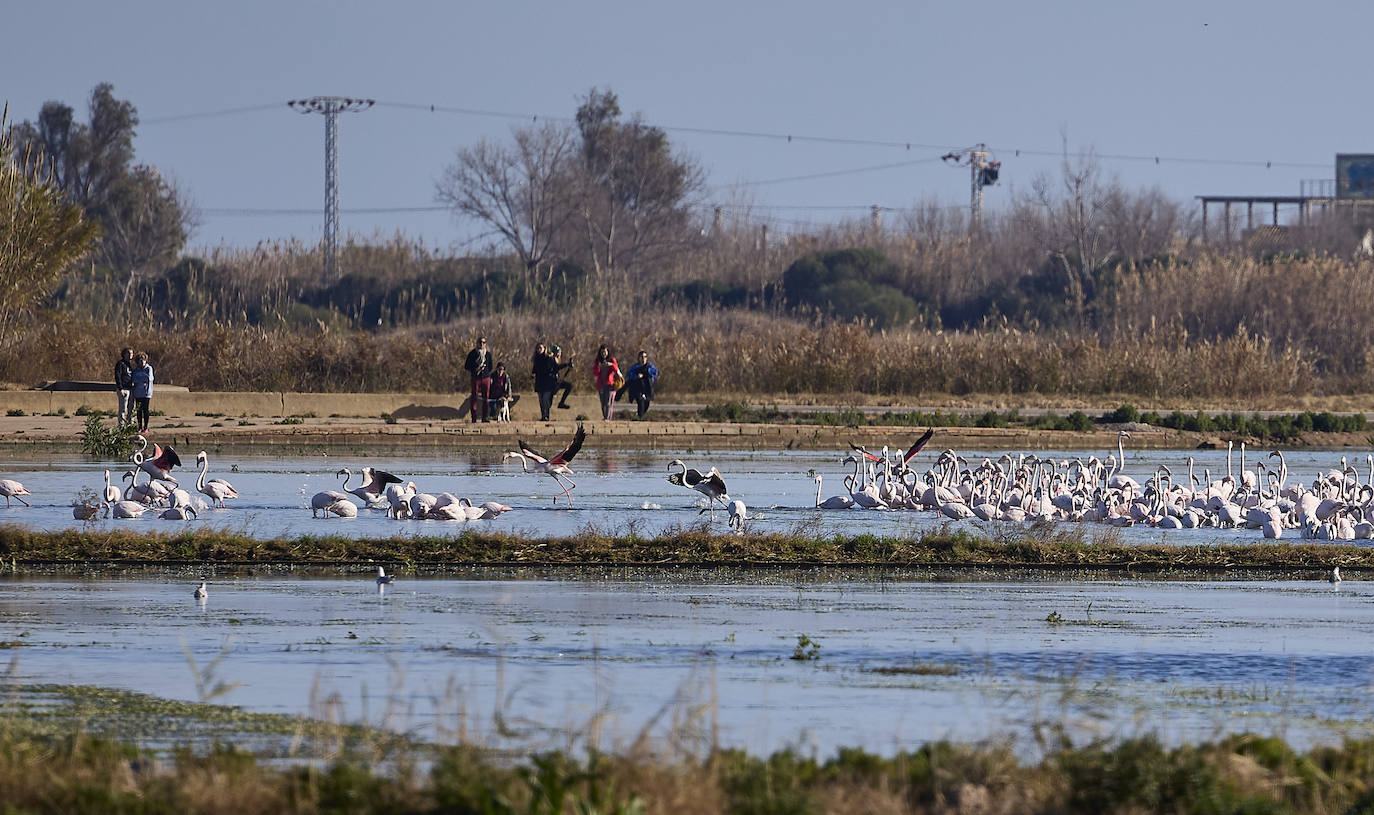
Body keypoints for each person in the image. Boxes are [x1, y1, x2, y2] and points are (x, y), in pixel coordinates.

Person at [464, 335, 493, 423]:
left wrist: (485, 370)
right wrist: (476, 368)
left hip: (485, 377)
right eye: (480, 342)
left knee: (486, 397)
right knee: (474, 397)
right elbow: (466, 366)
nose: (481, 344)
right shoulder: (472, 354)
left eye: (483, 342)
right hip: (475, 377)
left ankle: (485, 417)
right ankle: (474, 416)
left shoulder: (487, 354)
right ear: (477, 343)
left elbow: (490, 366)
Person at [623, 350, 660, 419]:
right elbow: (629, 374)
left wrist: (647, 371)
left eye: (645, 357)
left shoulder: (650, 366)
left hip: (647, 388)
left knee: (646, 403)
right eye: (641, 357)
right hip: (638, 389)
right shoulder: (635, 367)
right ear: (639, 358)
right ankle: (640, 417)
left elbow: (655, 373)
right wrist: (636, 376)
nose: (643, 359)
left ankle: (640, 415)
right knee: (640, 402)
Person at [531, 343, 561, 421]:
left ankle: (546, 415)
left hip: (547, 382)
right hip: (539, 382)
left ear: (544, 348)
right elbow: (534, 369)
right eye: (538, 348)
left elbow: (555, 368)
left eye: (540, 348)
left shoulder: (549, 358)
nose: (539, 350)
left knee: (545, 399)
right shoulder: (536, 359)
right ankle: (543, 415)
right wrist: (533, 374)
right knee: (541, 400)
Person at [591, 344, 621, 420]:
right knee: (603, 403)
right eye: (602, 352)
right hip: (601, 384)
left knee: (608, 402)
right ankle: (605, 416)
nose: (603, 354)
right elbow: (595, 373)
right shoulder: (598, 361)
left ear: (608, 352)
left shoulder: (612, 360)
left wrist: (610, 364)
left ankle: (607, 418)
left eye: (605, 352)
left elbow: (616, 368)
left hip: (610, 384)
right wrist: (599, 367)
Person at [130, 353, 153, 433]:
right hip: (137, 392)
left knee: (145, 410)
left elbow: (149, 378)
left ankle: (146, 427)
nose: (142, 362)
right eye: (141, 360)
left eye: (144, 360)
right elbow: (134, 379)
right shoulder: (136, 370)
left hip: (146, 393)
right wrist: (142, 378)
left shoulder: (149, 368)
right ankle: (139, 427)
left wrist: (141, 378)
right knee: (139, 410)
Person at [114, 347, 134, 426]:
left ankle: (130, 424)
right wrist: (120, 388)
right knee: (123, 409)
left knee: (131, 408)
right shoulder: (120, 364)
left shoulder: (130, 365)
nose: (130, 355)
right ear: (124, 354)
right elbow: (117, 376)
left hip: (130, 389)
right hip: (123, 389)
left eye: (131, 353)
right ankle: (121, 426)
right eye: (128, 353)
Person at [550, 344, 573, 410]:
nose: (559, 354)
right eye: (557, 353)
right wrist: (566, 364)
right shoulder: (552, 359)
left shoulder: (556, 359)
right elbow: (557, 368)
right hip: (552, 382)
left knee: (569, 386)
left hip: (557, 381)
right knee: (550, 397)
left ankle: (561, 403)